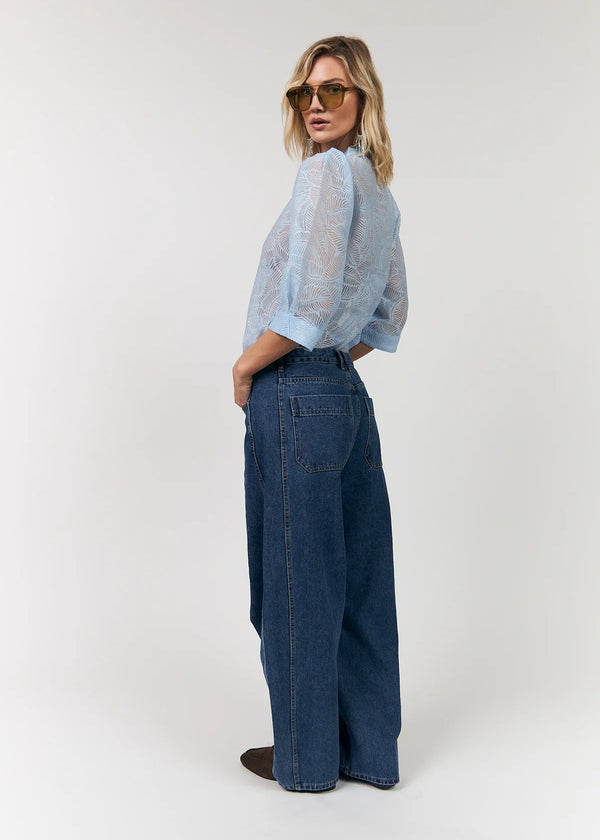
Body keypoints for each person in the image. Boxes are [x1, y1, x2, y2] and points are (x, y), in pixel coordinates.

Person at [232, 35, 409, 793]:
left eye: (333, 90)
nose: (316, 104)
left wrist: (249, 368)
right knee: (361, 582)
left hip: (295, 395)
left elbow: (305, 307)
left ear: (362, 98)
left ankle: (305, 762)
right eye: (305, 93)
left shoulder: (322, 178)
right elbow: (388, 317)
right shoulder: (380, 191)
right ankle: (370, 753)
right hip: (346, 401)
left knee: (295, 586)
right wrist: (331, 366)